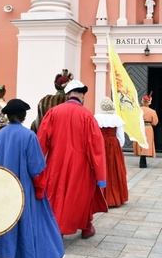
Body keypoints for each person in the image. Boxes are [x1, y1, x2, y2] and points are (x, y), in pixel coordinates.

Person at [0, 98, 65, 258]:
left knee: (3, 223)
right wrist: (39, 189)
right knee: (25, 223)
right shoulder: (29, 136)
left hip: (3, 188)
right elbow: (36, 168)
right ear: (23, 116)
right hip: (23, 188)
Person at [36, 80, 108, 239]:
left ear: (68, 95)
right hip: (81, 165)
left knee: (56, 195)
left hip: (56, 163)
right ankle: (85, 227)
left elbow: (41, 140)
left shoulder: (53, 112)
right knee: (82, 196)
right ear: (82, 96)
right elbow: (96, 147)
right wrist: (100, 174)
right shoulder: (87, 115)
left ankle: (58, 228)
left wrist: (36, 165)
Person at [93, 97, 129, 208]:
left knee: (100, 169)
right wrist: (117, 147)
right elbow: (121, 138)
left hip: (100, 145)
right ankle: (115, 197)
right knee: (114, 169)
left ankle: (100, 198)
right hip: (113, 146)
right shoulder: (116, 118)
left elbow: (94, 134)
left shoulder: (96, 118)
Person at [133, 95, 158, 168]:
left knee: (140, 143)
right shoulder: (152, 111)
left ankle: (142, 158)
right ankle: (143, 159)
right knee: (147, 142)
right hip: (148, 128)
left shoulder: (138, 110)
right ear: (149, 102)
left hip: (139, 127)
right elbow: (155, 122)